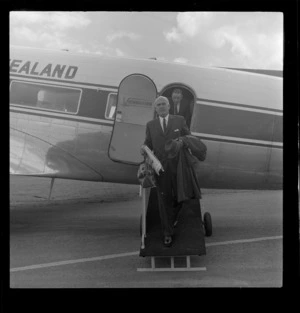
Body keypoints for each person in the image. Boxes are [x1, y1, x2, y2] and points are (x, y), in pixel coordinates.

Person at [142, 96, 190, 247]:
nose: (161, 107)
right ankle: (167, 233)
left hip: (179, 166)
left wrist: (182, 142)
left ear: (169, 106)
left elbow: (188, 137)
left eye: (164, 104)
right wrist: (143, 149)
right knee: (164, 201)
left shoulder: (180, 120)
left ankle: (173, 218)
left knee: (181, 198)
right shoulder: (151, 125)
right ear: (155, 109)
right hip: (160, 168)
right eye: (158, 105)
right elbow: (148, 144)